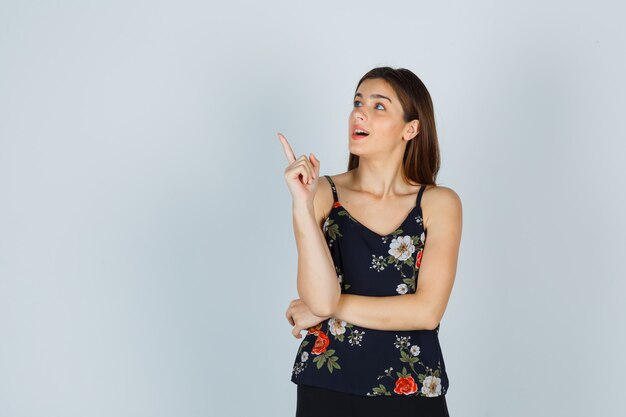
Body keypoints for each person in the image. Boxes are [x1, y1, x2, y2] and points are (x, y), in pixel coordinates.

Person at [279, 66, 462, 417]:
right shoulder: (319, 193)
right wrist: (301, 206)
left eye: (379, 106)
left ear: (411, 128)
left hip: (413, 389)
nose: (359, 112)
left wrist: (327, 308)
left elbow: (427, 311)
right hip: (327, 385)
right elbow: (316, 295)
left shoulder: (439, 203)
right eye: (357, 102)